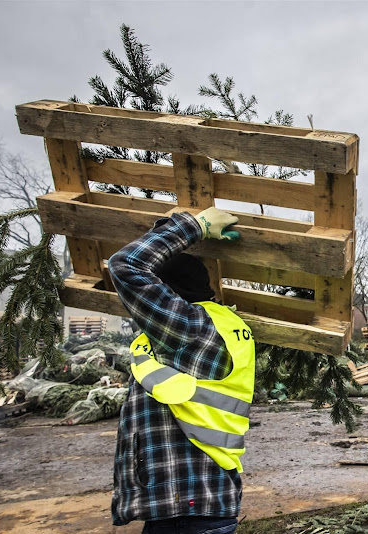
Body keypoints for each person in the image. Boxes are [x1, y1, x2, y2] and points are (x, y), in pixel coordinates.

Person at [109, 206, 254, 534]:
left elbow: (126, 264)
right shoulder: (212, 327)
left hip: (188, 510)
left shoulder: (187, 328)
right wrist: (165, 226)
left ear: (169, 297)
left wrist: (193, 226)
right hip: (195, 505)